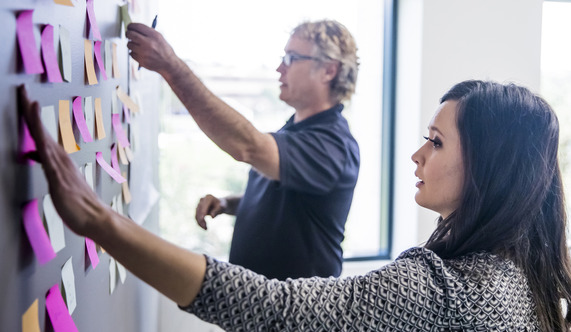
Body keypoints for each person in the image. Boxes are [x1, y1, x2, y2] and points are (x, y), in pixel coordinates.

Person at [18, 79, 571, 331]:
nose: (417, 154)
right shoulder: (521, 271)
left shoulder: (441, 290)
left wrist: (101, 223)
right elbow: (275, 181)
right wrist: (234, 203)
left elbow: (272, 306)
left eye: (438, 140)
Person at [125, 20, 360, 280]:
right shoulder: (295, 130)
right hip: (261, 305)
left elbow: (247, 146)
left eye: (292, 58)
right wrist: (229, 204)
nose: (280, 68)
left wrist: (171, 66)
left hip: (296, 315)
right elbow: (288, 200)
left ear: (329, 70)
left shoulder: (333, 146)